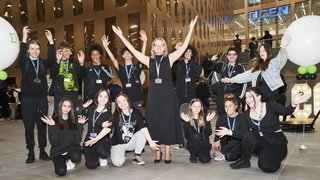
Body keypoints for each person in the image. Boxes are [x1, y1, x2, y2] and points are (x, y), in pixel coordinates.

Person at [112, 16, 198, 163]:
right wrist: (121, 36)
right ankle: (157, 151)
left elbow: (184, 47)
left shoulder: (170, 58)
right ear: (152, 48)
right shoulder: (148, 60)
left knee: (168, 121)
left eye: (161, 45)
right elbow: (132, 49)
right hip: (154, 95)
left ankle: (168, 151)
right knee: (155, 121)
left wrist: (190, 28)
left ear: (164, 48)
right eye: (156, 45)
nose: (158, 48)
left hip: (168, 94)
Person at [217, 87, 310, 172]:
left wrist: (293, 103)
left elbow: (286, 111)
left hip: (277, 142)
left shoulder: (271, 106)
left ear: (259, 97)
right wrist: (229, 132)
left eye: (250, 96)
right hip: (262, 143)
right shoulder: (246, 114)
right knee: (248, 135)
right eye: (246, 97)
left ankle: (273, 157)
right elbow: (244, 135)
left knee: (266, 167)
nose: (248, 100)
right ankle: (245, 161)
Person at [19, 26, 55, 163]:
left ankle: (42, 151)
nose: (35, 51)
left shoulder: (43, 63)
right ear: (29, 50)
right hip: (27, 99)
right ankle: (30, 153)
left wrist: (51, 42)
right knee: (29, 127)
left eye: (37, 49)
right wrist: (24, 38)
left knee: (41, 126)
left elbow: (52, 60)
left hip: (41, 99)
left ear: (40, 50)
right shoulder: (25, 63)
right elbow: (21, 56)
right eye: (32, 48)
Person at [221, 35, 291, 102]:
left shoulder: (273, 63)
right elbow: (245, 75)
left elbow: (281, 58)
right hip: (259, 97)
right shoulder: (257, 66)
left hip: (271, 96)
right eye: (260, 51)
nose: (261, 53)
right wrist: (231, 79)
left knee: (270, 113)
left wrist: (283, 47)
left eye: (264, 51)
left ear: (268, 52)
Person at [101, 30, 147, 112]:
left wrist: (145, 42)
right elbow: (114, 60)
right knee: (126, 118)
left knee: (137, 118)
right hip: (125, 99)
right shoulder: (121, 68)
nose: (127, 54)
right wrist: (106, 47)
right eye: (125, 53)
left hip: (137, 98)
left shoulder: (136, 67)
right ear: (122, 56)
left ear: (132, 55)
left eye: (129, 53)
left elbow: (142, 56)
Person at [41, 97, 87, 176]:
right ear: (60, 106)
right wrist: (52, 126)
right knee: (61, 172)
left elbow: (77, 141)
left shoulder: (74, 120)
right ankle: (61, 163)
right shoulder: (53, 121)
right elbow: (54, 143)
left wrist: (80, 125)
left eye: (69, 106)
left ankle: (71, 163)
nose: (66, 108)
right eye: (64, 106)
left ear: (71, 108)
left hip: (71, 149)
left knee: (76, 157)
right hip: (58, 151)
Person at [110, 93, 160, 166]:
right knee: (118, 163)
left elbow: (143, 127)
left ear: (128, 100)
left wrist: (150, 141)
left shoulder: (136, 113)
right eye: (119, 102)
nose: (122, 103)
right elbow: (108, 129)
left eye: (124, 100)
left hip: (130, 143)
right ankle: (121, 155)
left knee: (142, 133)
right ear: (117, 104)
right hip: (118, 145)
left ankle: (136, 156)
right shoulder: (116, 116)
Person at [50, 42, 86, 113]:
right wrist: (58, 61)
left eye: (70, 51)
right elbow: (53, 73)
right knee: (59, 115)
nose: (70, 53)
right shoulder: (56, 62)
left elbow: (82, 74)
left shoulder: (74, 63)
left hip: (72, 94)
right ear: (60, 51)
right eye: (67, 50)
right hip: (60, 94)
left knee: (72, 115)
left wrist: (81, 63)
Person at [209, 47, 247, 115]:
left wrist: (239, 98)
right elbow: (210, 67)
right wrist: (211, 60)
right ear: (227, 56)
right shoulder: (222, 66)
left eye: (234, 54)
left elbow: (244, 83)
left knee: (234, 119)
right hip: (221, 98)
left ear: (237, 56)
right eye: (229, 54)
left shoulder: (240, 68)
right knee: (222, 118)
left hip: (234, 97)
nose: (231, 56)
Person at [82, 88, 113, 169]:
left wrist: (100, 124)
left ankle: (103, 157)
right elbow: (80, 118)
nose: (103, 99)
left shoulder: (109, 114)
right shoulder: (91, 109)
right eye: (101, 96)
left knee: (102, 152)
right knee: (91, 165)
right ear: (97, 97)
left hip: (101, 140)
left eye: (105, 97)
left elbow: (109, 128)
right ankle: (95, 156)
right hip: (90, 138)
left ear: (108, 99)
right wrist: (83, 107)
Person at [180, 98, 215, 163]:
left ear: (201, 107)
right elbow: (187, 135)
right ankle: (192, 155)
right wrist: (187, 123)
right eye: (194, 106)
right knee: (196, 135)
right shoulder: (187, 118)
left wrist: (207, 121)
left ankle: (199, 153)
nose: (196, 109)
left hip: (203, 144)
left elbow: (209, 133)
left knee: (205, 160)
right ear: (191, 107)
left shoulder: (205, 117)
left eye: (199, 106)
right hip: (192, 144)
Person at [214, 93, 246, 162]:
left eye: (230, 106)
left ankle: (242, 153)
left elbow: (240, 137)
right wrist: (216, 140)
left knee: (229, 156)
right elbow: (217, 133)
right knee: (224, 128)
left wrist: (223, 150)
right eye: (226, 106)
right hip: (227, 142)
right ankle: (226, 151)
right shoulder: (221, 118)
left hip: (238, 141)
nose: (227, 109)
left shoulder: (242, 118)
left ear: (235, 106)